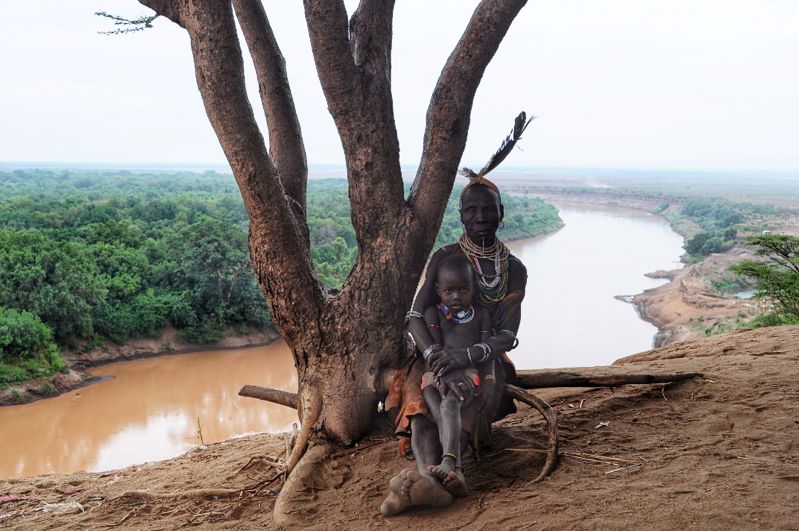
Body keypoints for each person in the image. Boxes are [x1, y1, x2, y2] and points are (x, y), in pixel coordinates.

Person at [380, 176, 528, 516]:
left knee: (462, 399)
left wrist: (467, 356)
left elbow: (507, 335)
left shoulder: (514, 270)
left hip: (484, 358)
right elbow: (416, 315)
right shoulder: (445, 259)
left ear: (501, 213)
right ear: (461, 215)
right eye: (472, 210)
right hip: (434, 353)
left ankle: (437, 476)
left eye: (488, 210)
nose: (480, 217)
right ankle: (432, 478)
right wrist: (433, 356)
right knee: (419, 405)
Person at [420, 254, 493, 497]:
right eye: (449, 290)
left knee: (450, 403)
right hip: (437, 372)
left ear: (473, 288)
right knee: (438, 408)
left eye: (463, 289)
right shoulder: (432, 313)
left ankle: (451, 462)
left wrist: (489, 379)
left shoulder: (481, 315)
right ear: (438, 289)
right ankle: (455, 471)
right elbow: (436, 349)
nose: (456, 296)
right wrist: (441, 374)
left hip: (468, 372)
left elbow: (486, 353)